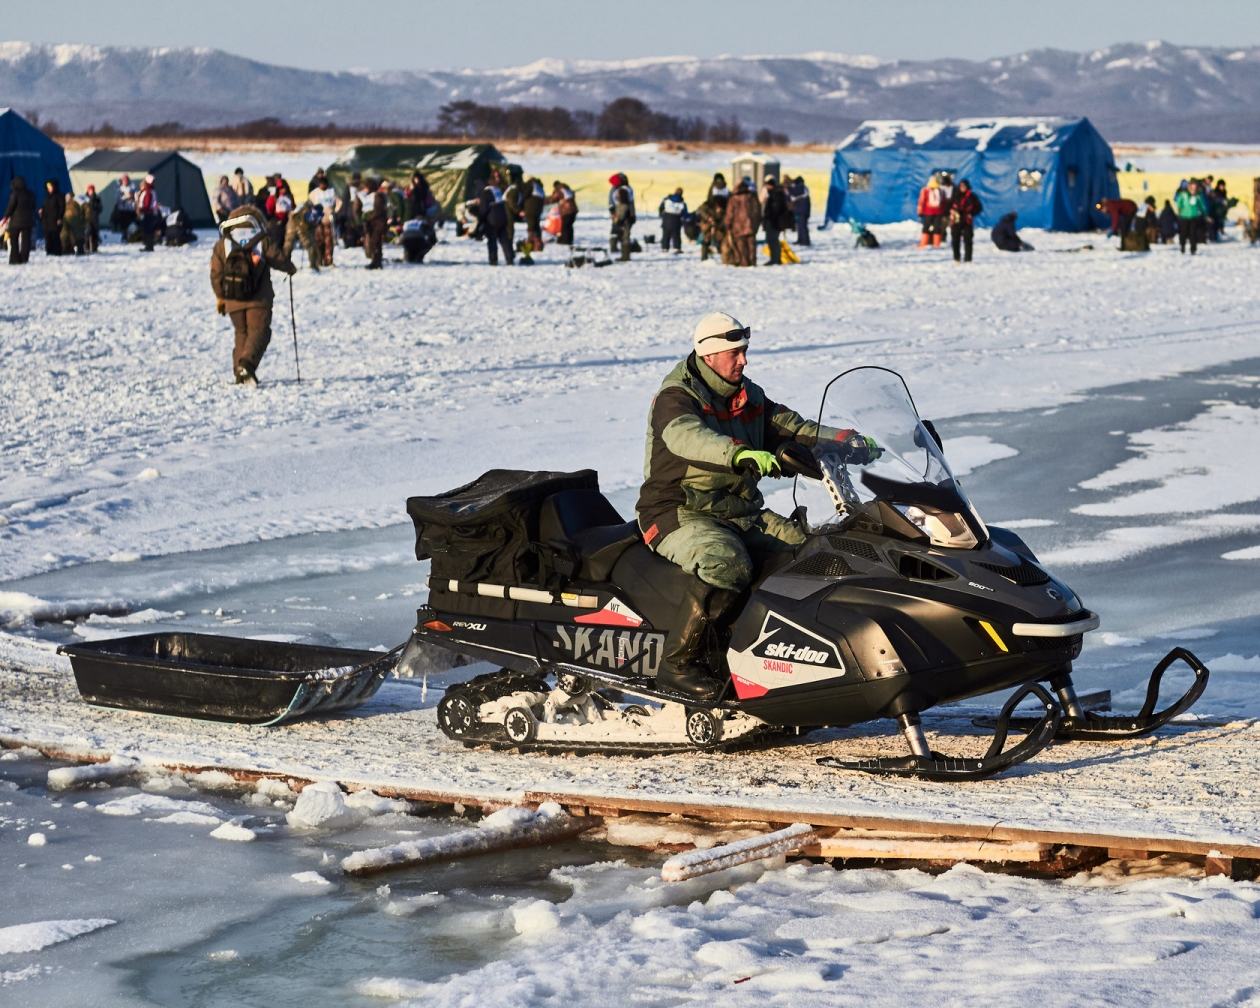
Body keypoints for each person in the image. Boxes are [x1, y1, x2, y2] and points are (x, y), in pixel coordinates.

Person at [635, 312, 872, 700]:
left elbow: (796, 429)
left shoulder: (749, 397)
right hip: (678, 512)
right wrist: (741, 454)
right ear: (710, 355)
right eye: (735, 353)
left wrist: (846, 439)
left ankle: (785, 658)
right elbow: (688, 439)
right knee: (726, 561)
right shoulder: (676, 398)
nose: (743, 360)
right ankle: (678, 665)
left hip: (739, 511)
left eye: (744, 351)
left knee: (813, 549)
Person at [209, 205, 296, 385]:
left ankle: (240, 374)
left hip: (233, 298)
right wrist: (290, 268)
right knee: (259, 331)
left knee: (241, 333)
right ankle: (247, 364)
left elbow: (215, 273)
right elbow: (279, 259)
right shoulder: (261, 239)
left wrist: (220, 297)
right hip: (259, 298)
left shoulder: (223, 243)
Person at [724, 181, 761, 267]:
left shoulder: (733, 199)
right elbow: (757, 212)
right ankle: (752, 263)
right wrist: (755, 225)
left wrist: (727, 225)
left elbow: (729, 214)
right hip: (751, 227)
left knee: (741, 248)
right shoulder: (752, 198)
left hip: (738, 228)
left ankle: (744, 264)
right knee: (751, 247)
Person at [948, 178, 982, 263]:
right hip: (956, 221)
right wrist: (951, 211)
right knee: (955, 240)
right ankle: (957, 258)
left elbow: (979, 208)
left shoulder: (972, 197)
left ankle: (968, 259)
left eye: (964, 186)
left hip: (967, 221)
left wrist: (971, 213)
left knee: (968, 240)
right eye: (961, 186)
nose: (962, 187)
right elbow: (947, 206)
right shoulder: (955, 196)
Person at [3, 175, 35, 264]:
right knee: (26, 241)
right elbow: (33, 206)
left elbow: (11, 207)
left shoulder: (15, 194)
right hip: (28, 221)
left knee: (14, 239)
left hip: (16, 222)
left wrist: (5, 217)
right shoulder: (30, 194)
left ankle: (15, 258)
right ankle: (24, 258)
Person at [760, 176, 792, 265]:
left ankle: (775, 259)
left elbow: (777, 209)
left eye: (768, 186)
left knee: (772, 240)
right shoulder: (775, 193)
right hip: (774, 221)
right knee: (772, 240)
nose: (767, 187)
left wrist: (769, 216)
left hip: (774, 222)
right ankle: (774, 258)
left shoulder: (776, 194)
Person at [307, 176, 339, 266]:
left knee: (328, 241)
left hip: (328, 220)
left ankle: (329, 260)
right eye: (321, 184)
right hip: (318, 221)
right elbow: (309, 204)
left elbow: (339, 203)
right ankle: (319, 260)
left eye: (324, 184)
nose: (322, 185)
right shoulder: (314, 193)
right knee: (318, 241)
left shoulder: (332, 192)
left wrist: (334, 211)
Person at [356, 177, 387, 269]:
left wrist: (367, 218)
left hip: (378, 222)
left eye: (365, 187)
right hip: (372, 223)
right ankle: (375, 261)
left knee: (375, 242)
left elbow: (378, 211)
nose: (364, 189)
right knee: (373, 243)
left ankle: (376, 262)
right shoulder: (368, 196)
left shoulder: (377, 196)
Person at [284, 197, 321, 271]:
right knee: (310, 246)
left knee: (288, 245)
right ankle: (313, 266)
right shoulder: (309, 209)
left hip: (292, 225)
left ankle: (285, 265)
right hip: (301, 227)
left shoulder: (301, 208)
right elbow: (309, 221)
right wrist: (312, 227)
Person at [1175, 180, 1207, 255]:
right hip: (1184, 216)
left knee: (1193, 233)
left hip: (1194, 216)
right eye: (1193, 185)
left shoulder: (1198, 195)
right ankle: (1182, 247)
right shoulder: (1183, 194)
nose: (1194, 187)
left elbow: (1202, 205)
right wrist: (1179, 210)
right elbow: (1179, 203)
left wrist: (1205, 214)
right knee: (1183, 232)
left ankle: (1193, 249)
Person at [608, 173, 635, 254]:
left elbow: (624, 206)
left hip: (623, 216)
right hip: (621, 214)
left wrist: (619, 218)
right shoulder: (617, 189)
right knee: (619, 232)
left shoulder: (623, 190)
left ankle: (625, 254)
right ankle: (617, 249)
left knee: (624, 235)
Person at [696, 192, 727, 262]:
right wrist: (708, 218)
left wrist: (720, 224)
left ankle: (723, 257)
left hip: (718, 227)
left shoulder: (724, 208)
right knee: (706, 241)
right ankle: (704, 258)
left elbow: (725, 219)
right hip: (708, 226)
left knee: (721, 241)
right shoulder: (707, 205)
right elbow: (702, 210)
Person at [916, 176, 946, 248]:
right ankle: (934, 243)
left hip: (929, 212)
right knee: (935, 227)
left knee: (930, 227)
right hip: (934, 212)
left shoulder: (927, 190)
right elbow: (944, 203)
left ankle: (927, 243)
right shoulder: (940, 190)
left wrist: (920, 211)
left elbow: (921, 201)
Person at [546, 181, 577, 245]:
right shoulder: (567, 189)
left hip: (566, 210)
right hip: (573, 209)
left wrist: (541, 201)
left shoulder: (559, 189)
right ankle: (569, 240)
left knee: (565, 226)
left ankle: (565, 241)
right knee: (569, 226)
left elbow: (552, 198)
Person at [135, 174, 161, 252]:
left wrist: (141, 210)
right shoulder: (150, 191)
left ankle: (149, 246)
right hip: (149, 213)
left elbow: (147, 204)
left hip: (147, 213)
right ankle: (148, 245)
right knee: (148, 229)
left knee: (147, 230)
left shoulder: (148, 192)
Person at [41, 179, 65, 256]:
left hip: (55, 220)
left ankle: (57, 252)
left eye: (51, 187)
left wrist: (60, 218)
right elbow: (45, 206)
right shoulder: (47, 197)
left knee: (55, 236)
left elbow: (62, 208)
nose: (49, 189)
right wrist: (42, 210)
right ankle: (49, 251)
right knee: (48, 237)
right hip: (47, 221)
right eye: (48, 187)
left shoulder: (59, 196)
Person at [659, 187, 686, 253]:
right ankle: (677, 248)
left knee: (665, 234)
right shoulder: (682, 202)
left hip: (666, 218)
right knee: (676, 235)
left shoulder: (667, 199)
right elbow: (685, 213)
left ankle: (665, 248)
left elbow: (661, 207)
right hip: (676, 220)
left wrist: (661, 215)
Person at [521, 176, 545, 251]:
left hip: (531, 207)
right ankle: (539, 246)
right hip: (539, 208)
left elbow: (525, 194)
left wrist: (520, 204)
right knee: (536, 226)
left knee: (531, 226)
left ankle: (531, 245)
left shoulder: (531, 184)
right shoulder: (540, 186)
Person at [786, 176, 810, 245]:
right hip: (803, 211)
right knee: (801, 227)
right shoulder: (804, 188)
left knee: (802, 227)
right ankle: (801, 240)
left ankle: (804, 241)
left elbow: (790, 197)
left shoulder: (800, 189)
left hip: (800, 211)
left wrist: (789, 189)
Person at [612, 186, 633, 261]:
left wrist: (617, 220)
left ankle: (625, 256)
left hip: (624, 224)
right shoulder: (622, 202)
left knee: (625, 239)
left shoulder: (624, 204)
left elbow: (622, 215)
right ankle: (624, 255)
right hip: (623, 223)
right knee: (623, 238)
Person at [83, 184, 102, 253]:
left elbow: (100, 208)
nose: (91, 191)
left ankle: (94, 247)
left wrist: (96, 212)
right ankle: (87, 247)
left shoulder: (97, 199)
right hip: (88, 219)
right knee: (88, 232)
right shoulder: (85, 199)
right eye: (90, 190)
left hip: (95, 218)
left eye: (92, 190)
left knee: (95, 233)